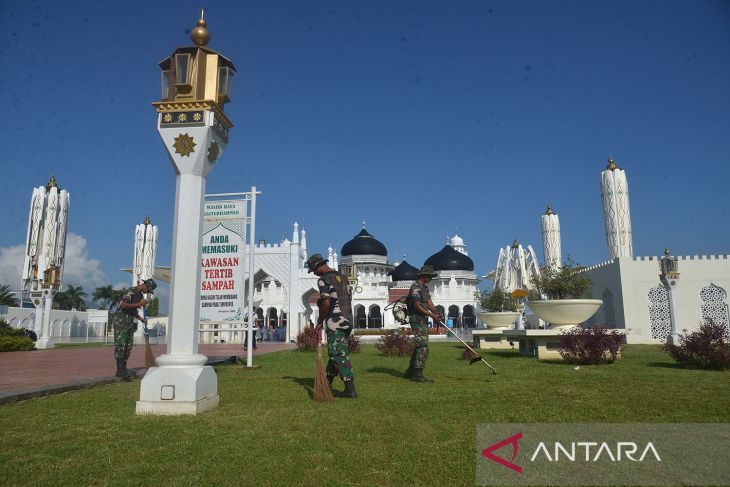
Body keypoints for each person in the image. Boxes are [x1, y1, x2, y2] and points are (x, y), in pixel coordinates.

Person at [305, 253, 357, 399]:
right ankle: (326, 383)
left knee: (338, 354)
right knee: (335, 352)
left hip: (335, 322)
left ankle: (350, 388)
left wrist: (320, 321)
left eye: (313, 271)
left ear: (317, 266)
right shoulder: (344, 278)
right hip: (348, 321)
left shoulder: (324, 280)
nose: (314, 274)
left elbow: (326, 302)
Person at [111, 279, 156, 381]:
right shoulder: (131, 291)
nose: (147, 293)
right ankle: (120, 370)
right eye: (148, 290)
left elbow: (132, 310)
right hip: (121, 321)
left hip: (129, 322)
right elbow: (123, 305)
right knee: (121, 346)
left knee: (128, 346)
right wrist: (139, 304)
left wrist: (141, 319)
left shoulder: (139, 295)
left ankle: (123, 368)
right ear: (146, 285)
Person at [405, 265, 441, 383]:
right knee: (423, 346)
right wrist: (432, 316)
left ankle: (411, 371)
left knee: (419, 345)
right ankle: (418, 374)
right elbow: (417, 306)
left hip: (423, 319)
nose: (431, 279)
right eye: (430, 276)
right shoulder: (415, 287)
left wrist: (436, 312)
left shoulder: (424, 288)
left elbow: (429, 302)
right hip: (416, 319)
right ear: (424, 276)